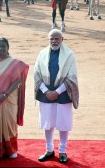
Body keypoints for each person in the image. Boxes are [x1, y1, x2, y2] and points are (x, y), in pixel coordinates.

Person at [34, 29, 79, 164]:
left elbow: (71, 77)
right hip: (45, 93)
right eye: (51, 39)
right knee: (48, 124)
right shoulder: (42, 54)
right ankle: (49, 150)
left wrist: (57, 92)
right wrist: (46, 91)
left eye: (56, 39)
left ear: (62, 39)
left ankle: (62, 151)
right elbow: (36, 74)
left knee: (63, 124)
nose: (54, 41)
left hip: (63, 94)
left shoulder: (70, 55)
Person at [0, 38, 29, 159]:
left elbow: (18, 80)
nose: (0, 48)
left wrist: (6, 94)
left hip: (9, 99)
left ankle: (11, 150)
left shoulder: (14, 63)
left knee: (10, 123)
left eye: (3, 46)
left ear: (8, 48)